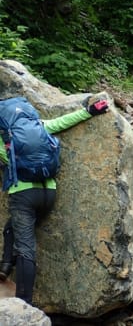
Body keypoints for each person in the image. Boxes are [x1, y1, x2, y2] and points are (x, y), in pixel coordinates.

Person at [0, 96, 109, 305]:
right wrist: (90, 111)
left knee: (26, 249)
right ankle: (5, 265)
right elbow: (63, 121)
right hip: (49, 193)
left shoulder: (5, 138)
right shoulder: (39, 127)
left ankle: (23, 304)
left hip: (23, 195)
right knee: (11, 227)